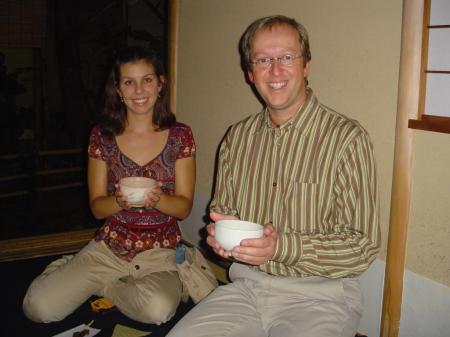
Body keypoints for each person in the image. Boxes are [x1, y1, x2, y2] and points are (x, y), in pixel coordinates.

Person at [167, 15, 380, 337]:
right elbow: (227, 214)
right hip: (247, 287)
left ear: (306, 65)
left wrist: (281, 247)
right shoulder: (237, 138)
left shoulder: (347, 139)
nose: (275, 70)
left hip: (322, 297)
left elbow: (362, 245)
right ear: (251, 74)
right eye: (263, 60)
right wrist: (220, 238)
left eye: (286, 57)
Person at [22, 45, 196, 324]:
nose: (139, 90)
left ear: (160, 83)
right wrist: (118, 201)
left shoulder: (180, 136)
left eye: (147, 79)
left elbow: (184, 208)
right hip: (110, 247)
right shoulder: (102, 137)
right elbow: (97, 209)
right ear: (118, 89)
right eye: (129, 82)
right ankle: (79, 270)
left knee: (157, 312)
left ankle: (106, 286)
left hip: (160, 252)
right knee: (38, 308)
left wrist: (157, 199)